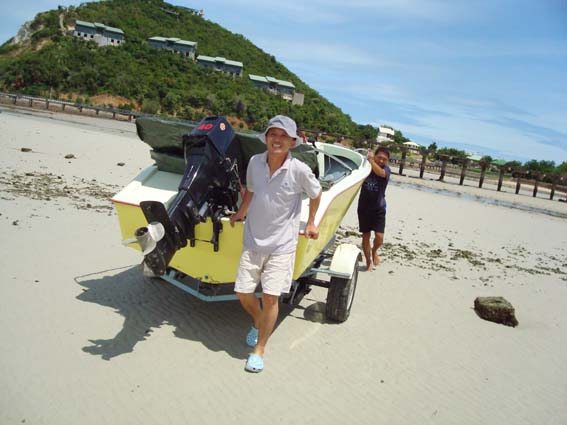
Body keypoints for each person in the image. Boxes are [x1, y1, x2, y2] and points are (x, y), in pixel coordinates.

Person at [229, 115, 322, 373]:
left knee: (270, 298)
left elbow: (316, 194)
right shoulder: (254, 162)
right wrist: (240, 213)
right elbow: (251, 190)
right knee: (243, 293)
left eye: (283, 136)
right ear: (266, 138)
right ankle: (259, 321)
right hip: (253, 239)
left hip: (282, 245)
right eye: (273, 134)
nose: (277, 139)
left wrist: (311, 222)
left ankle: (259, 349)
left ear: (292, 142)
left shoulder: (299, 170)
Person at [357, 146, 391, 271]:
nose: (381, 160)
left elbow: (380, 173)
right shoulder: (365, 168)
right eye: (379, 157)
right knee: (365, 236)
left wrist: (371, 160)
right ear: (375, 156)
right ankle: (368, 262)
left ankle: (374, 250)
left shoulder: (386, 170)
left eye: (384, 159)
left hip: (379, 208)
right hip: (364, 207)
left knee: (379, 237)